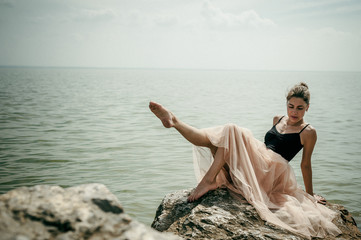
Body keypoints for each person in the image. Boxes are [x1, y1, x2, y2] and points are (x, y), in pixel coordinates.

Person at [149, 82, 341, 239]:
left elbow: (305, 165)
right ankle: (174, 122)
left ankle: (209, 180)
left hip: (272, 173)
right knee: (217, 140)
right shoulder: (278, 118)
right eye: (291, 106)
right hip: (260, 163)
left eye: (300, 108)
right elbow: (267, 147)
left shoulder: (308, 132)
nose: (294, 112)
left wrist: (310, 196)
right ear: (286, 105)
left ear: (308, 107)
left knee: (231, 130)